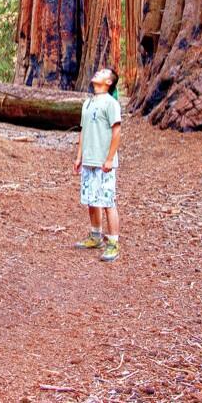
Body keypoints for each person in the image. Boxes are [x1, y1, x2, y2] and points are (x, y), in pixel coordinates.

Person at [72, 67, 123, 262]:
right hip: (89, 160)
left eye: (103, 72)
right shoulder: (88, 103)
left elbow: (116, 132)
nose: (97, 73)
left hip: (104, 162)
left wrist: (110, 158)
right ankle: (95, 236)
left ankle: (113, 243)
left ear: (109, 82)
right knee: (91, 200)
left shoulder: (111, 104)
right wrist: (79, 157)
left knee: (108, 202)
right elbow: (83, 131)